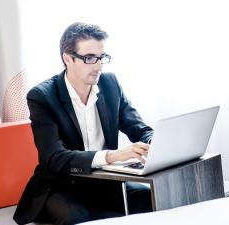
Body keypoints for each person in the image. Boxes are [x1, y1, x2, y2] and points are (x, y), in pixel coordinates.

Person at [13, 22, 153, 225]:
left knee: (152, 199)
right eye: (89, 58)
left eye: (101, 57)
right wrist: (112, 156)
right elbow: (54, 158)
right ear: (67, 58)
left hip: (105, 183)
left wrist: (155, 143)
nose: (98, 66)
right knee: (76, 218)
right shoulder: (42, 97)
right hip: (61, 186)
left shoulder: (110, 84)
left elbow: (139, 128)